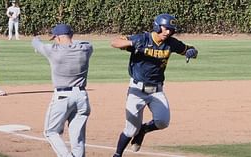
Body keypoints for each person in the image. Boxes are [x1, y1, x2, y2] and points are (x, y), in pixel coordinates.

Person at [111, 13, 198, 157]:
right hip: (137, 90)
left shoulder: (171, 43)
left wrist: (191, 52)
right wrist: (132, 43)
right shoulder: (142, 39)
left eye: (171, 30)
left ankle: (143, 130)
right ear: (157, 26)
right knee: (131, 129)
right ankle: (117, 154)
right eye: (165, 29)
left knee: (163, 121)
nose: (168, 32)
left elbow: (190, 50)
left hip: (156, 90)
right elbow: (115, 42)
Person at [31, 24, 93, 157]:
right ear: (71, 35)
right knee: (78, 137)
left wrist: (36, 37)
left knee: (51, 132)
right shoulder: (85, 49)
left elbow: (36, 43)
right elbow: (86, 42)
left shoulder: (53, 50)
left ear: (57, 38)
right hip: (82, 97)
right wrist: (70, 40)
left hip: (62, 98)